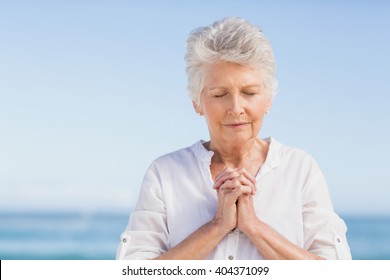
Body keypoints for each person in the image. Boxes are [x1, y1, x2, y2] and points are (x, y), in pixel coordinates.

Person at [116, 17, 352, 260]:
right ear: (197, 103)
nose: (236, 107)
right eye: (219, 94)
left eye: (249, 93)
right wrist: (217, 225)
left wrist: (254, 227)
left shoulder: (300, 169)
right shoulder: (164, 173)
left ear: (268, 99)